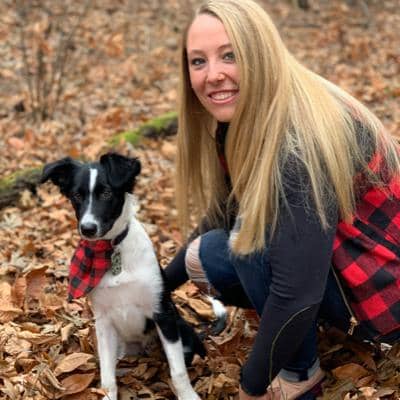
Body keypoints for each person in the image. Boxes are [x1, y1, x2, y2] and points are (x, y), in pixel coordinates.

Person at [164, 0, 400, 399]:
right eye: (198, 61)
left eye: (230, 55)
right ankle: (303, 337)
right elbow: (225, 208)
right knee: (204, 256)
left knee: (247, 241)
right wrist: (158, 287)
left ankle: (300, 375)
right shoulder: (250, 114)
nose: (213, 74)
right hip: (343, 268)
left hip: (385, 294)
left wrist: (251, 386)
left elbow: (296, 295)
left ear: (261, 53)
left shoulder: (299, 141)